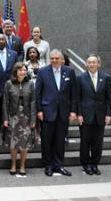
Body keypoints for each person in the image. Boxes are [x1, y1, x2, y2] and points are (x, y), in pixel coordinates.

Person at [35, 49, 77, 177]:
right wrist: (39, 110)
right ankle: (48, 165)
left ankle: (59, 165)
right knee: (47, 140)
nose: (54, 60)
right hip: (47, 111)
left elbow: (74, 94)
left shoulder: (69, 72)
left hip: (63, 112)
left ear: (61, 60)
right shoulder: (43, 72)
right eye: (52, 58)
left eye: (56, 58)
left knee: (60, 140)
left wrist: (73, 111)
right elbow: (38, 93)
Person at [77, 54, 111, 175]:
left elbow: (108, 99)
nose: (92, 64)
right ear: (86, 64)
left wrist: (109, 114)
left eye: (94, 62)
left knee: (98, 142)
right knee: (85, 142)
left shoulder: (106, 78)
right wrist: (79, 114)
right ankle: (86, 164)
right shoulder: (80, 78)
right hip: (85, 115)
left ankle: (95, 164)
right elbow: (78, 98)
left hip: (100, 115)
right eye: (89, 62)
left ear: (99, 64)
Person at [3, 62, 36, 176]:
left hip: (26, 117)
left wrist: (33, 119)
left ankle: (22, 165)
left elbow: (33, 102)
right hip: (13, 117)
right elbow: (5, 102)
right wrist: (5, 118)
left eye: (24, 70)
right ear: (15, 72)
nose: (23, 72)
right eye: (21, 70)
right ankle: (13, 164)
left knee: (24, 143)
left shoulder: (30, 83)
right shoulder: (9, 84)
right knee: (13, 143)